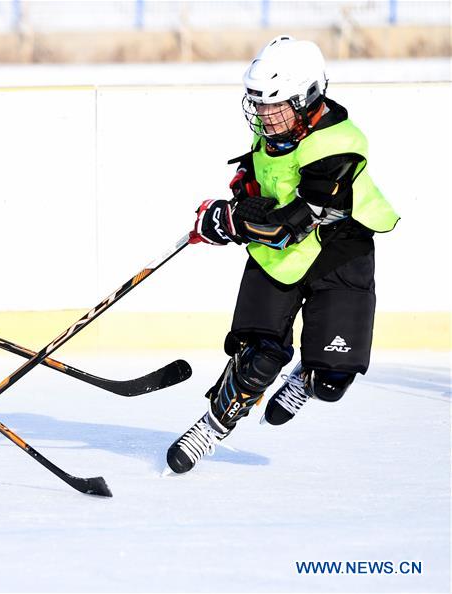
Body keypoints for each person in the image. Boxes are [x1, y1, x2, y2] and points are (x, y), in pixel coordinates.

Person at [166, 36, 399, 474]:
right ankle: (212, 427)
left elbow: (292, 224)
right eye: (259, 104)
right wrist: (241, 196)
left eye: (276, 106)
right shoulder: (278, 131)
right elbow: (258, 177)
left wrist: (230, 221)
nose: (265, 115)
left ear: (309, 97)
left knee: (332, 381)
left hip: (339, 251)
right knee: (260, 355)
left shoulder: (339, 146)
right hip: (280, 258)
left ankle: (308, 379)